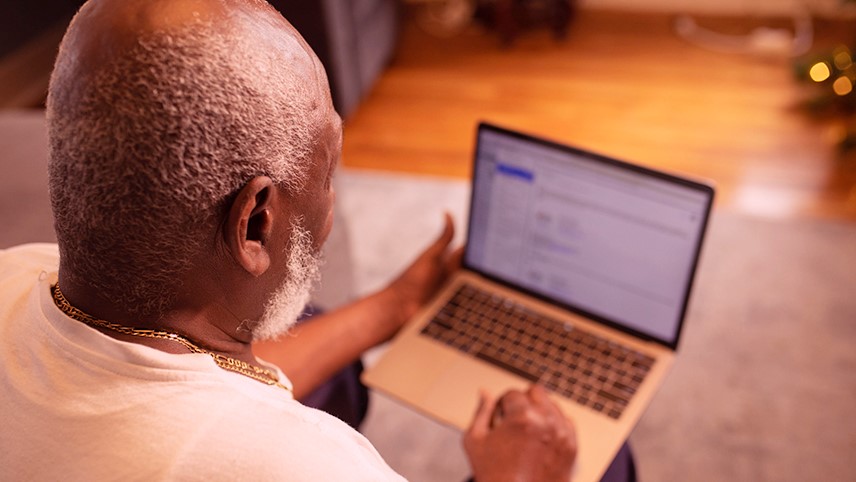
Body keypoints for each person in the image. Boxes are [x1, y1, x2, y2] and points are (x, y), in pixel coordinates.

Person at [0, 0, 580, 480]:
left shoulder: (18, 273)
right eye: (327, 172)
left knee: (329, 348)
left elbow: (182, 369)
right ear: (255, 223)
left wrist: (396, 304)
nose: (330, 206)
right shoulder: (309, 465)